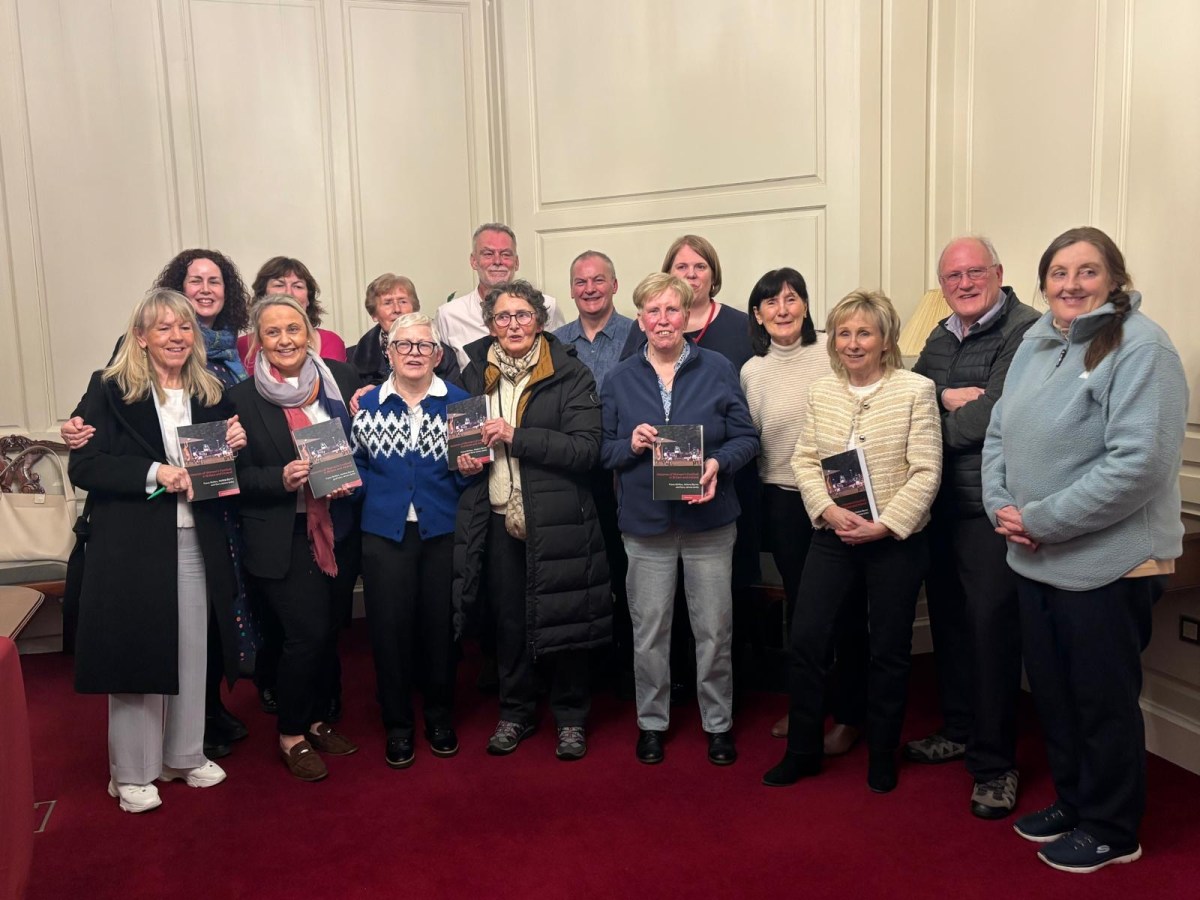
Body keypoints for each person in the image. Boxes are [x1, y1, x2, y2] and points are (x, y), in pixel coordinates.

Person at [982, 227, 1187, 873]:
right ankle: (1075, 800)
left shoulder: (1141, 346)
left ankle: (1112, 827)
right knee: (1055, 693)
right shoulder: (1037, 341)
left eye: (1087, 271)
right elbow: (998, 431)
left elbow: (1140, 464)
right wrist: (1000, 505)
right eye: (1060, 272)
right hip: (1038, 557)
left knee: (1100, 699)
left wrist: (1041, 519)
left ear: (1114, 278)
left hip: (1107, 561)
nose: (1071, 284)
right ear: (1043, 282)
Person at [60, 248, 253, 760]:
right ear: (140, 337)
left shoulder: (211, 393)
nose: (176, 337)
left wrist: (233, 447)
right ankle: (133, 770)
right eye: (163, 329)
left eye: (185, 328)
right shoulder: (110, 388)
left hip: (197, 537)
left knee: (194, 654)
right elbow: (85, 466)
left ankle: (185, 755)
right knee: (137, 655)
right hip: (132, 543)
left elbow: (220, 475)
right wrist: (155, 474)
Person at [764, 290, 941, 793]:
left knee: (888, 649)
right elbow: (803, 459)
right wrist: (827, 509)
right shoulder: (822, 392)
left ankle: (882, 753)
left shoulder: (915, 390)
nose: (853, 342)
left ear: (886, 340)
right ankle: (802, 749)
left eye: (864, 332)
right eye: (844, 332)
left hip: (895, 542)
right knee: (807, 639)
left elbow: (927, 471)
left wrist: (885, 524)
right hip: (833, 534)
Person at [601, 273, 760, 766]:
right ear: (641, 318)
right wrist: (630, 444)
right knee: (649, 630)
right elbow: (602, 451)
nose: (663, 320)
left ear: (687, 314)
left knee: (714, 629)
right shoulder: (620, 377)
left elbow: (746, 438)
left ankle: (718, 723)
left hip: (709, 521)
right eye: (653, 311)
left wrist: (717, 464)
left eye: (673, 310)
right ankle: (652, 722)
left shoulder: (716, 368)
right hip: (646, 525)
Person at [908, 236, 1040, 819]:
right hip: (940, 507)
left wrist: (937, 423)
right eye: (953, 276)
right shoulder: (939, 336)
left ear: (998, 273)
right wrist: (942, 397)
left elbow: (1001, 415)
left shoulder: (1027, 330)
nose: (964, 283)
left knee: (992, 637)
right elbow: (907, 400)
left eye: (974, 272)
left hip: (991, 509)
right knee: (953, 630)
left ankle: (995, 766)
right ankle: (959, 728)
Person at [453, 279, 610, 761]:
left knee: (564, 621)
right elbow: (459, 440)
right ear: (490, 324)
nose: (513, 325)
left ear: (540, 321)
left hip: (559, 520)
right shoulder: (474, 375)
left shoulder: (571, 373)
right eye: (503, 316)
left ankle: (570, 718)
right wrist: (459, 457)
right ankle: (515, 711)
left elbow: (587, 450)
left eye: (522, 315)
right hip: (497, 518)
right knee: (508, 625)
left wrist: (517, 436)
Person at [227, 295, 362, 781]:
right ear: (257, 341)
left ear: (310, 333)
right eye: (272, 332)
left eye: (293, 329)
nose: (285, 340)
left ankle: (317, 718)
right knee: (303, 634)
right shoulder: (240, 398)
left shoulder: (342, 381)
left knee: (327, 633)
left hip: (338, 527)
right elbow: (231, 475)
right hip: (280, 532)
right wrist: (278, 480)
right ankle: (290, 733)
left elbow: (362, 441)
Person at [740, 267, 865, 752]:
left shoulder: (833, 352)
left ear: (806, 306)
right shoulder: (752, 370)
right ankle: (806, 706)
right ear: (758, 314)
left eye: (791, 299)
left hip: (840, 494)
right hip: (783, 499)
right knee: (803, 609)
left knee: (849, 607)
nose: (782, 309)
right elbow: (750, 439)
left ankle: (851, 713)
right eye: (771, 302)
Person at [351, 312, 473, 768]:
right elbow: (355, 463)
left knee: (439, 629)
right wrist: (369, 492)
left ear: (438, 355)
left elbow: (470, 472)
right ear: (389, 353)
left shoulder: (461, 404)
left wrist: (466, 474)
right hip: (384, 532)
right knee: (388, 630)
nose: (415, 353)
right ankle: (398, 726)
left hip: (441, 530)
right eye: (405, 345)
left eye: (424, 346)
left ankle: (440, 718)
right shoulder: (368, 406)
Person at [553, 251, 636, 698]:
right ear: (571, 290)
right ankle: (590, 661)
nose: (589, 289)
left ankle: (626, 660)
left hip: (624, 471)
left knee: (626, 567)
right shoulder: (556, 342)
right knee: (584, 570)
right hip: (573, 473)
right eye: (581, 282)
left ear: (614, 285)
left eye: (598, 280)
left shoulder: (635, 335)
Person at [436, 224, 566, 369]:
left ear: (516, 262)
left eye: (506, 254)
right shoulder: (449, 315)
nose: (497, 261)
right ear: (473, 261)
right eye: (488, 254)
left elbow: (559, 360)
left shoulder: (547, 306)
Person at [348, 273, 460, 388]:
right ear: (374, 314)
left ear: (414, 308)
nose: (397, 309)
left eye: (403, 301)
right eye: (387, 303)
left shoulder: (444, 355)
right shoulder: (354, 359)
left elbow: (453, 400)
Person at [237, 256, 348, 371]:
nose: (289, 292)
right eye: (279, 285)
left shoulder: (332, 342)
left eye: (298, 286)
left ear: (308, 298)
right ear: (262, 295)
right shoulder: (242, 346)